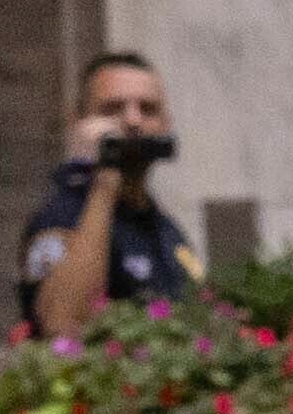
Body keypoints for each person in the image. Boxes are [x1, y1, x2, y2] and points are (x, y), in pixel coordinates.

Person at [18, 45, 196, 347]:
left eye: (148, 109)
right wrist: (104, 180)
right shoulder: (62, 216)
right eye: (112, 109)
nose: (133, 121)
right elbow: (62, 327)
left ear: (166, 124)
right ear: (79, 124)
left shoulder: (166, 229)